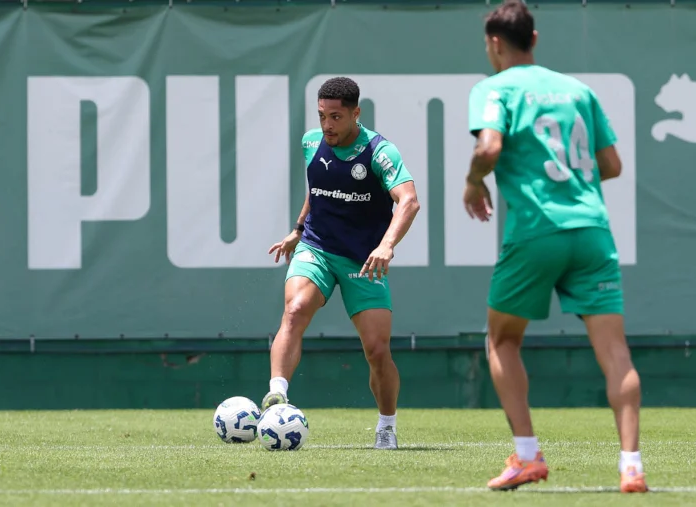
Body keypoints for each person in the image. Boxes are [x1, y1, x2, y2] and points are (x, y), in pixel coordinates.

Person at [463, 0, 648, 493]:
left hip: (537, 229)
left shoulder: (493, 88)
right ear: (535, 39)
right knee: (615, 352)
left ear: (495, 43)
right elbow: (612, 165)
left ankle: (528, 456)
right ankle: (632, 466)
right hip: (592, 230)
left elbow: (489, 147)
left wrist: (473, 182)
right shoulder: (578, 90)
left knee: (502, 340)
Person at [263, 77, 420, 451]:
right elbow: (318, 189)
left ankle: (386, 425)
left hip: (363, 260)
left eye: (335, 117)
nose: (327, 125)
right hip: (317, 247)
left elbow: (409, 201)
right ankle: (277, 397)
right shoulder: (311, 143)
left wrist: (386, 245)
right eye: (322, 116)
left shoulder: (380, 152)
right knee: (295, 308)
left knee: (377, 350)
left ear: (355, 113)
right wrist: (297, 230)